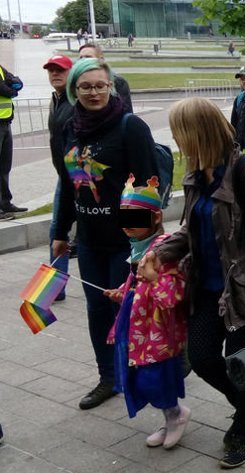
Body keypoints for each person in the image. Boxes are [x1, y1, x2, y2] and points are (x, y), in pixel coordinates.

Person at [139, 97, 245, 469]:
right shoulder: (195, 173)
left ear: (198, 132)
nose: (176, 141)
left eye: (179, 134)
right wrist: (161, 252)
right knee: (203, 357)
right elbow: (189, 228)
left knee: (240, 363)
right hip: (206, 288)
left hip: (243, 290)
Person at [51, 58, 158, 410]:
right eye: (86, 87)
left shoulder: (130, 127)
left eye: (100, 85)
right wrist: (61, 231)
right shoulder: (69, 128)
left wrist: (144, 245)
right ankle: (108, 378)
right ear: (74, 90)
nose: (94, 92)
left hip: (125, 242)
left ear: (110, 87)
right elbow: (68, 185)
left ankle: (145, 370)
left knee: (127, 310)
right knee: (97, 310)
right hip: (90, 242)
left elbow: (147, 185)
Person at [105, 175, 189, 449]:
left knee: (156, 378)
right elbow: (137, 283)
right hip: (140, 327)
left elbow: (172, 297)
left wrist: (153, 279)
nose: (128, 225)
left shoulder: (163, 249)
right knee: (143, 377)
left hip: (159, 331)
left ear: (155, 218)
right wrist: (123, 291)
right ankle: (170, 417)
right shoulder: (137, 248)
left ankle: (176, 415)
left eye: (136, 218)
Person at [44, 54, 74, 300]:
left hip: (78, 178)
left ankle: (53, 290)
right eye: (51, 70)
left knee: (58, 230)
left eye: (60, 70)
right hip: (64, 176)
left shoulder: (74, 102)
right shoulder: (56, 99)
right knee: (59, 231)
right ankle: (56, 290)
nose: (55, 74)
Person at [0, 62, 25, 220]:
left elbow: (18, 82)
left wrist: (12, 86)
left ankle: (5, 202)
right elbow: (5, 90)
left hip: (5, 122)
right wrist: (11, 88)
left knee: (4, 167)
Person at [79, 43, 133, 113]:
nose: (83, 61)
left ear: (101, 59)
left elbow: (126, 111)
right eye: (81, 58)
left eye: (88, 57)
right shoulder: (76, 81)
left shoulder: (118, 82)